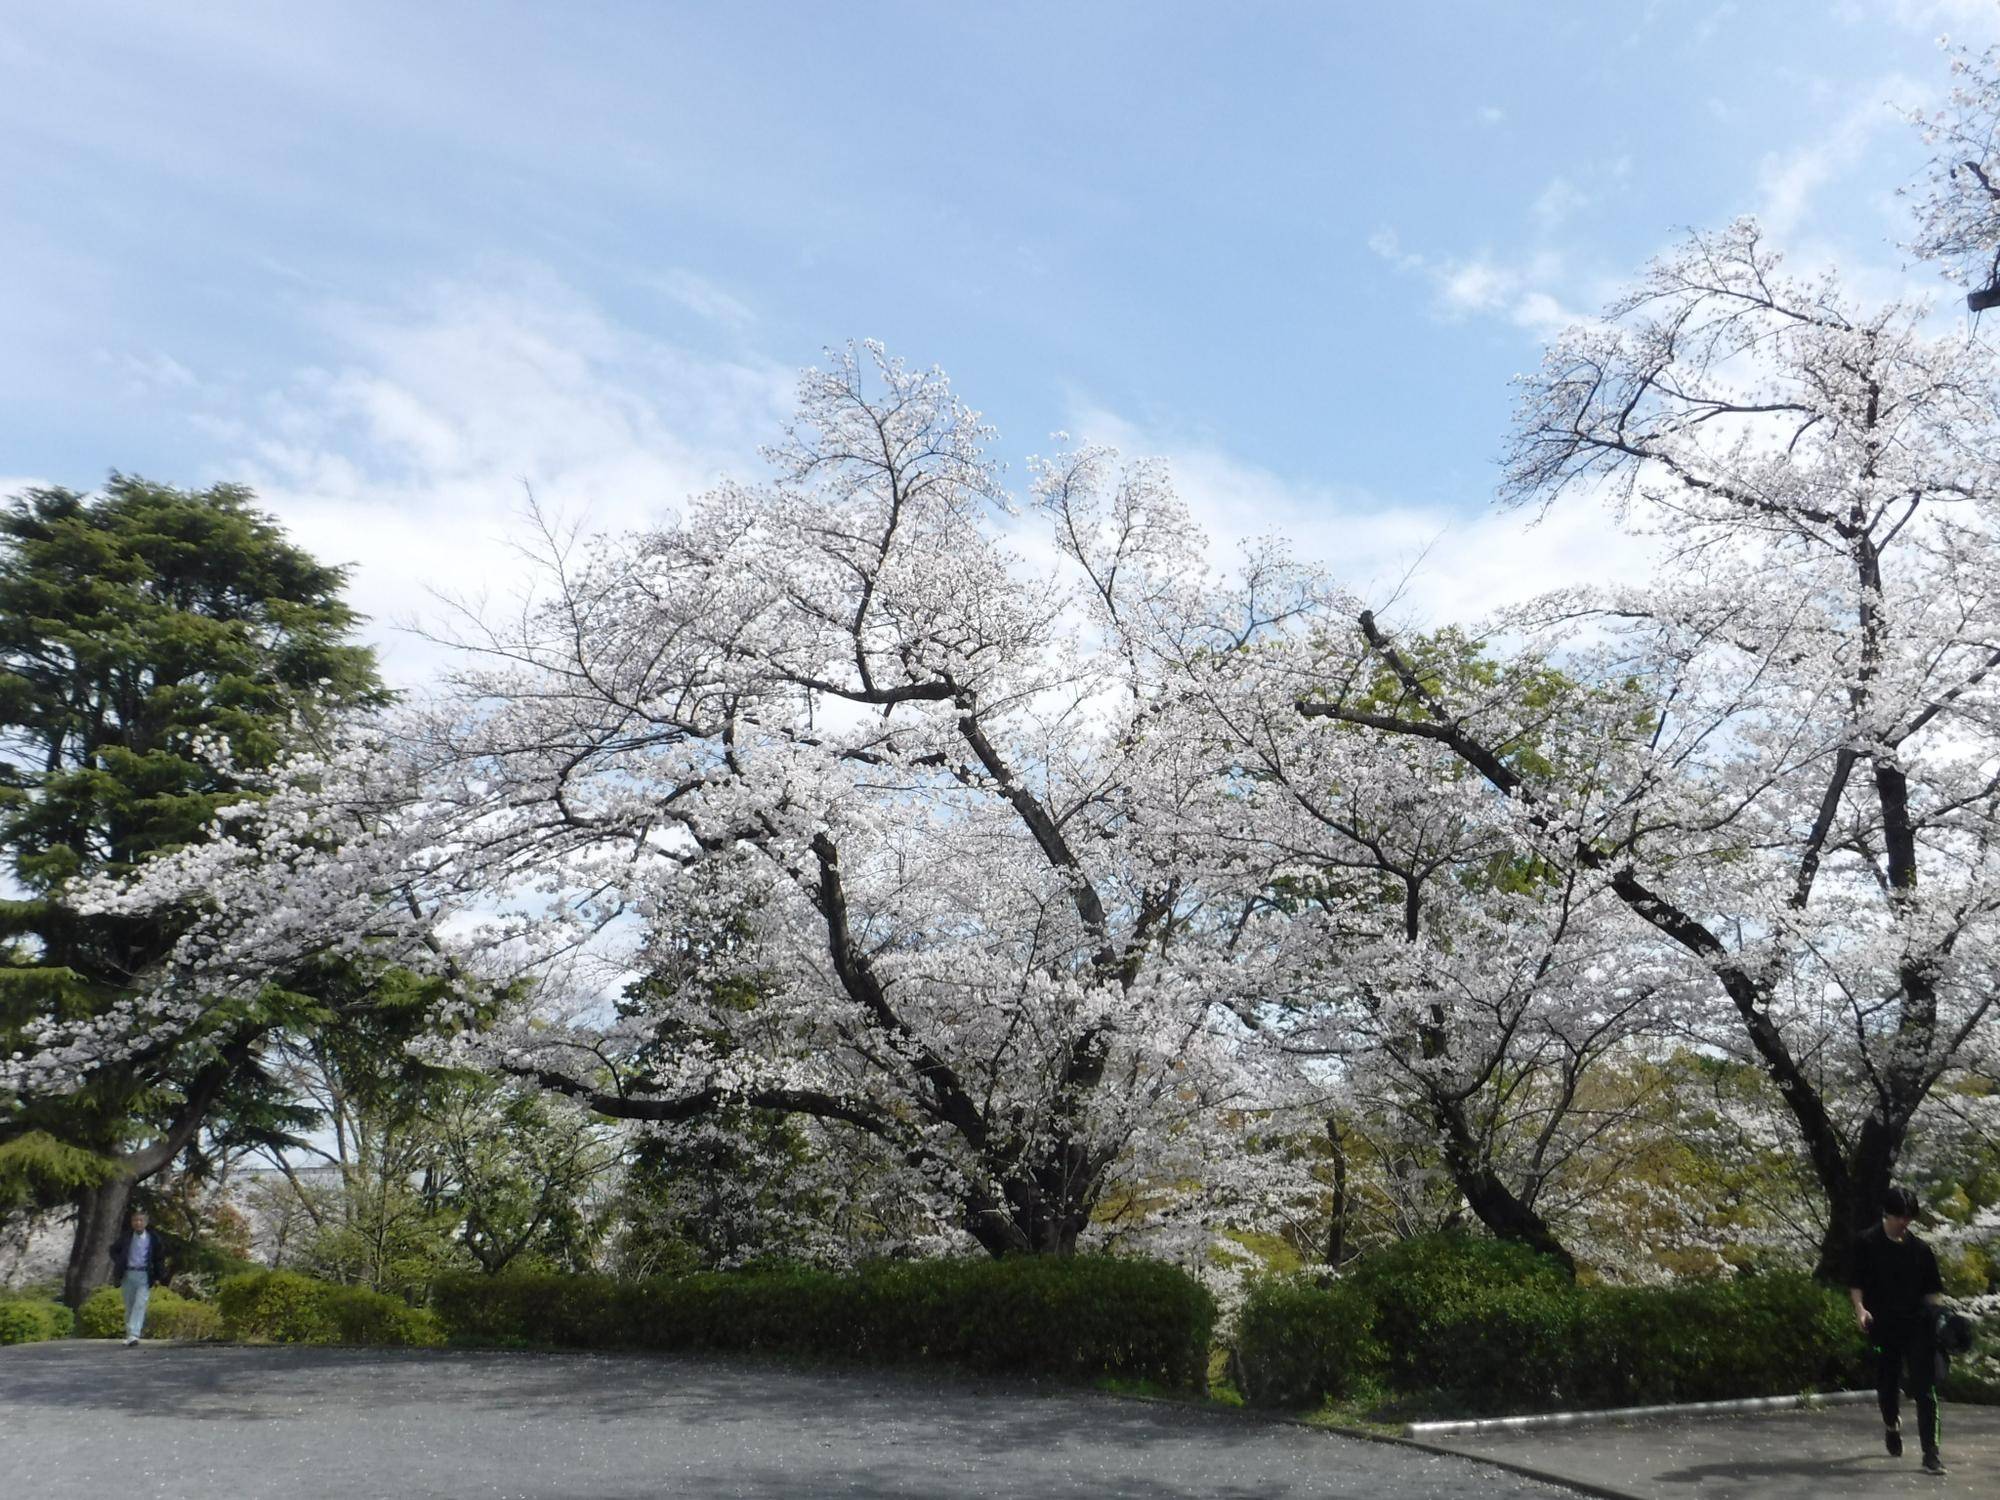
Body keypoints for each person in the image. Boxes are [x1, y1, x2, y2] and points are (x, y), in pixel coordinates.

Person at [1848, 1185, 1946, 1476]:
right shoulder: (1866, 1243)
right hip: (1883, 1326)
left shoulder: (1921, 1250)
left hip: (1917, 1327)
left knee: (1925, 1389)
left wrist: (1940, 1319)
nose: (1904, 1222)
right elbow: (1857, 1283)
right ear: (1886, 1214)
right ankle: (1892, 1425)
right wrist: (1861, 1310)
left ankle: (1931, 1454)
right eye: (1899, 1217)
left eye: (1909, 1217)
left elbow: (1932, 1292)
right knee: (1887, 1386)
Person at [107, 1206, 170, 1347]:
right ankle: (130, 1334)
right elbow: (113, 1250)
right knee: (129, 1305)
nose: (138, 1223)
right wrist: (120, 1262)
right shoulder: (126, 1237)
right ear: (131, 1222)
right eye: (135, 1220)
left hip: (144, 1275)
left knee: (140, 1304)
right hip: (128, 1273)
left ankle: (134, 1334)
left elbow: (159, 1257)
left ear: (146, 1223)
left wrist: (160, 1275)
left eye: (141, 1220)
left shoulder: (153, 1239)